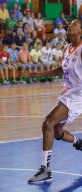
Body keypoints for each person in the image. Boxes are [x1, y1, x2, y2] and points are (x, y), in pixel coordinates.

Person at [28, 19, 82, 183]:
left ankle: (45, 170)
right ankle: (79, 142)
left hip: (78, 94)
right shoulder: (67, 48)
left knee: (48, 123)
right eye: (70, 24)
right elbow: (62, 69)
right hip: (67, 92)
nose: (70, 26)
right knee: (57, 132)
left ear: (81, 31)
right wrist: (40, 75)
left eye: (74, 24)